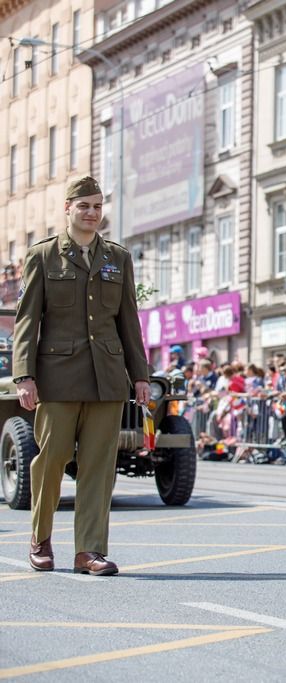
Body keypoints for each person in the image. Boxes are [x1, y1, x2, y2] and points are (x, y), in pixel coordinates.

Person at [13, 176, 150, 576]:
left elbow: (129, 321)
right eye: (84, 206)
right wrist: (25, 375)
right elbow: (27, 322)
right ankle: (40, 537)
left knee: (98, 466)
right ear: (68, 209)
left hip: (106, 377)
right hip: (57, 377)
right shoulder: (43, 256)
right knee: (52, 459)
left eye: (97, 206)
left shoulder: (118, 258)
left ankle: (89, 550)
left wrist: (139, 375)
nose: (92, 213)